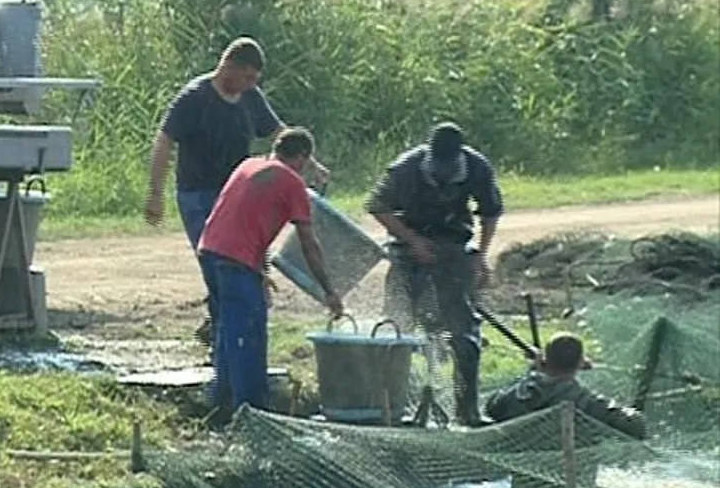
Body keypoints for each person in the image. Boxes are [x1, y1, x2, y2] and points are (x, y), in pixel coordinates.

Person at [144, 37, 329, 350]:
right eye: (246, 77)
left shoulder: (250, 98)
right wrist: (155, 192)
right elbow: (163, 142)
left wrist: (311, 164)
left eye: (254, 80)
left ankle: (227, 332)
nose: (249, 85)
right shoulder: (193, 98)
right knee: (220, 266)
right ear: (227, 66)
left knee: (248, 265)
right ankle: (224, 339)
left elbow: (278, 133)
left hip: (241, 196)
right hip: (198, 195)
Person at [366, 121, 505, 427]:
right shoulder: (407, 167)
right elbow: (376, 205)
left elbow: (491, 213)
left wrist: (480, 257)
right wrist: (413, 241)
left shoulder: (477, 167)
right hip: (408, 248)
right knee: (395, 329)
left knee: (465, 334)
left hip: (454, 249)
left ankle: (467, 410)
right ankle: (391, 408)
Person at [197, 127, 343, 416]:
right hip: (234, 261)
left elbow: (247, 219)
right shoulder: (292, 182)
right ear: (302, 157)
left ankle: (220, 405)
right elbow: (309, 244)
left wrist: (259, 271)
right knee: (249, 336)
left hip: (210, 251)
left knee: (227, 329)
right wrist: (329, 291)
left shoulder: (249, 164)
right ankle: (252, 415)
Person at [485, 332, 647, 439]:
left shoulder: (521, 393)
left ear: (545, 361)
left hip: (524, 477)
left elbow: (492, 407)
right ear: (580, 363)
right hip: (577, 477)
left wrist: (533, 372)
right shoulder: (585, 400)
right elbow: (636, 425)